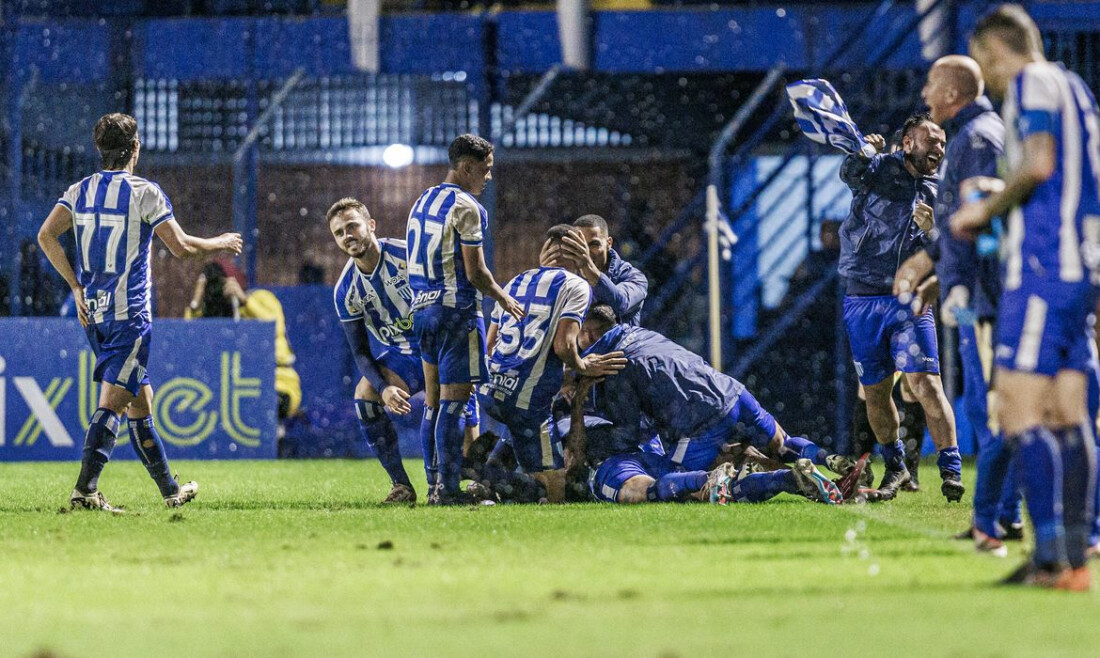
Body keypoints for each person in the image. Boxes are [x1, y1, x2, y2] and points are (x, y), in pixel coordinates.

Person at [951, 4, 1100, 589]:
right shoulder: (1077, 89)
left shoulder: (1033, 82)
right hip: (1079, 267)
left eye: (984, 63)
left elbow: (1038, 165)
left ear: (991, 51)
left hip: (1043, 269)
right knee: (1069, 413)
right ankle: (1074, 558)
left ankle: (1049, 559)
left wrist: (983, 209)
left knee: (1013, 406)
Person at [36, 113, 242, 511]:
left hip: (93, 314)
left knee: (139, 399)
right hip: (130, 316)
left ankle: (169, 491)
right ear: (136, 148)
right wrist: (219, 242)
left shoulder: (80, 190)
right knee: (113, 402)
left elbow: (46, 236)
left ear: (100, 150)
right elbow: (180, 246)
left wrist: (76, 286)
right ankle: (85, 491)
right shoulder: (144, 192)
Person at [899, 54, 1025, 552]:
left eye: (932, 83)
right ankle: (1004, 516)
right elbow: (958, 221)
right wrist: (934, 267)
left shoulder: (977, 139)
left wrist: (959, 281)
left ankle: (996, 521)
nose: (926, 93)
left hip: (989, 298)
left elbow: (980, 220)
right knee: (985, 404)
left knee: (991, 407)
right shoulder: (975, 137)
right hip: (979, 291)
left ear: (952, 93)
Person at [576, 304, 863, 496]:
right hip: (732, 392)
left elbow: (628, 430)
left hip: (697, 422)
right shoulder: (639, 333)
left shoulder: (608, 363)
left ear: (587, 333)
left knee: (698, 486)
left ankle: (786, 481)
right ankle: (831, 460)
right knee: (781, 443)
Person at [838, 111, 965, 501]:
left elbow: (953, 244)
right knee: (875, 393)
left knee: (925, 384)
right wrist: (863, 152)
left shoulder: (941, 188)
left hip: (909, 300)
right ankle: (895, 468)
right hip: (862, 298)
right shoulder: (878, 169)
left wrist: (932, 229)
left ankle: (950, 470)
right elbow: (849, 175)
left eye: (943, 142)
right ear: (908, 142)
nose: (939, 147)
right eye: (932, 140)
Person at [329, 197, 480, 503]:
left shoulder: (408, 255)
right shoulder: (346, 289)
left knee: (462, 427)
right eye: (339, 233)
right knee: (365, 396)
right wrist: (384, 388)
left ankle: (469, 479)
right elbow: (360, 352)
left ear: (370, 226)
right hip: (405, 356)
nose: (347, 236)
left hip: (442, 342)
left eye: (352, 226)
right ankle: (402, 485)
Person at [405, 134, 524, 504]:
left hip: (421, 312)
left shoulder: (422, 200)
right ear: (467, 167)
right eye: (485, 170)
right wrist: (504, 298)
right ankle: (449, 490)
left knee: (433, 403)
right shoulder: (467, 206)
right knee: (454, 405)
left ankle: (432, 484)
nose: (487, 178)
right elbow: (476, 273)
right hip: (456, 313)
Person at [561, 374, 846, 506]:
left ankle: (706, 478)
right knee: (774, 446)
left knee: (637, 491)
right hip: (663, 447)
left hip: (613, 462)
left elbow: (570, 459)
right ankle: (791, 478)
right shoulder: (623, 387)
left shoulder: (566, 411)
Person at [482, 224, 627, 474]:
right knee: (554, 479)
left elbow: (490, 345)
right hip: (529, 401)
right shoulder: (577, 287)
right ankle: (504, 481)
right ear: (576, 252)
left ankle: (491, 477)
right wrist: (583, 366)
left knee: (524, 464)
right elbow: (563, 346)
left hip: (490, 390)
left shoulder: (515, 281)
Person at [185, 260, 303, 425]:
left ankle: (276, 435)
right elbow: (187, 338)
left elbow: (273, 326)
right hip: (235, 388)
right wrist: (197, 302)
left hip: (277, 381)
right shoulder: (217, 314)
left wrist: (244, 300)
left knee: (263, 408)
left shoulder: (260, 297)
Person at [543, 214, 648, 326]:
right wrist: (544, 281)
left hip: (620, 343)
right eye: (581, 245)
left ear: (609, 243)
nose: (586, 252)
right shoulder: (568, 276)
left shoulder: (633, 276)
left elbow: (620, 304)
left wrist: (588, 267)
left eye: (594, 245)